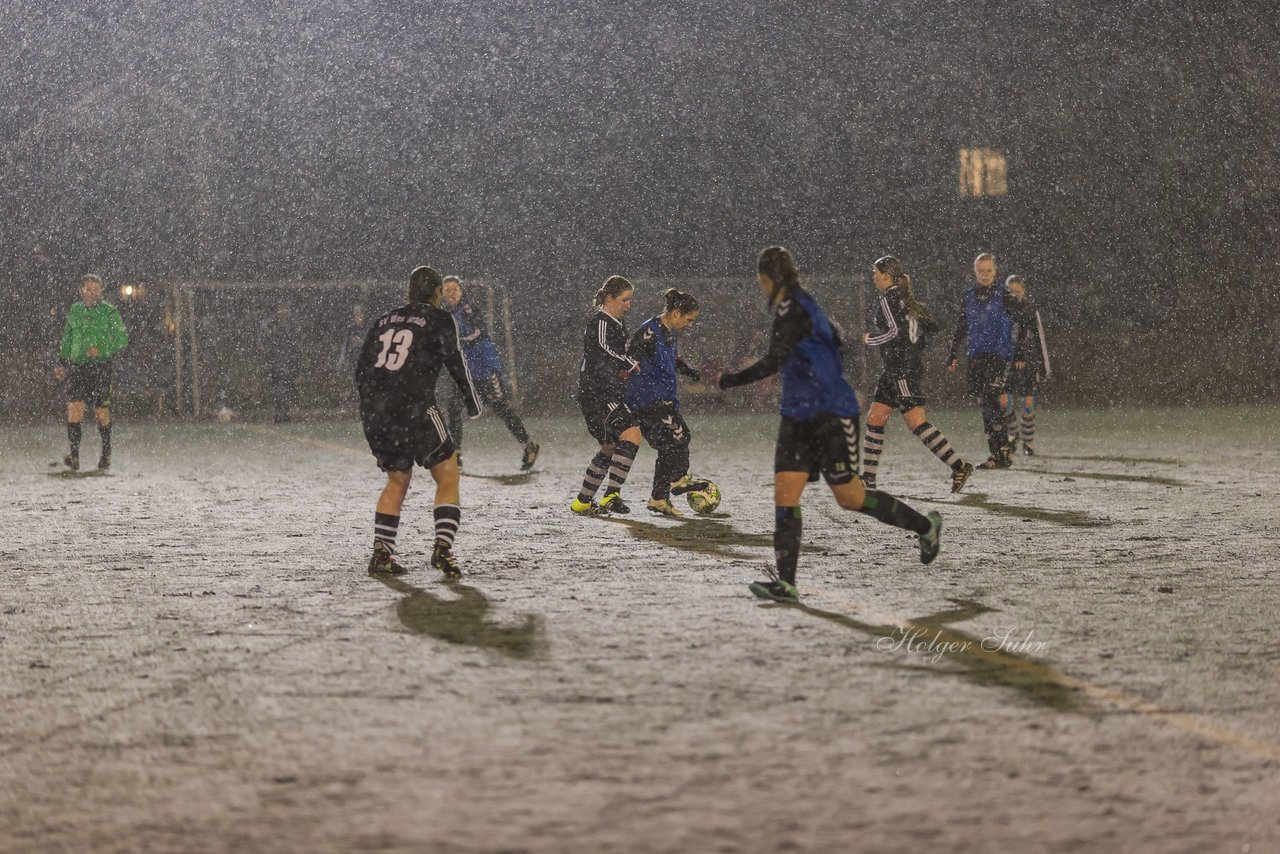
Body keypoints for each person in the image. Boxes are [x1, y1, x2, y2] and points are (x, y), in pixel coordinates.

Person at [717, 246, 942, 603]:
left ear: (767, 278)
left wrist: (730, 380)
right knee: (785, 493)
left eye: (761, 280)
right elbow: (841, 342)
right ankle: (786, 583)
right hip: (797, 415)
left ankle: (925, 526)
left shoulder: (795, 308)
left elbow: (776, 359)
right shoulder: (802, 306)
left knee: (850, 497)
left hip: (829, 414)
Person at [355, 265, 482, 577]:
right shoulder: (440, 319)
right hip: (413, 407)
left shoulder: (383, 320)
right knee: (448, 472)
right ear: (437, 293)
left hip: (376, 411)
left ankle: (382, 555)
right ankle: (442, 547)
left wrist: (374, 403)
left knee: (397, 479)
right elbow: (456, 362)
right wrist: (472, 403)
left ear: (408, 293)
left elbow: (360, 370)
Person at [861, 256, 974, 493]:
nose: (873, 275)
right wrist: (916, 346)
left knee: (916, 423)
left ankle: (959, 466)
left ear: (885, 275)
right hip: (896, 370)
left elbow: (895, 331)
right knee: (875, 419)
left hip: (901, 370)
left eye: (875, 272)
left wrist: (871, 339)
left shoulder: (889, 299)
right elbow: (931, 327)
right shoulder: (906, 300)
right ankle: (868, 479)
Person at [439, 276, 540, 471]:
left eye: (454, 289)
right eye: (447, 290)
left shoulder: (469, 308)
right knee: (453, 407)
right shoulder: (447, 313)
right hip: (464, 369)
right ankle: (456, 454)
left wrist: (456, 341)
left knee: (500, 407)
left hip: (484, 367)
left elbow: (479, 331)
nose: (451, 293)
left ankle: (529, 445)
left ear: (461, 290)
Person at [624, 288, 710, 516]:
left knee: (669, 445)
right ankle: (678, 480)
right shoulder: (650, 332)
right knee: (680, 436)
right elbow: (629, 357)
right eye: (689, 319)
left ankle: (658, 498)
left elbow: (671, 359)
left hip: (660, 398)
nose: (690, 325)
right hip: (647, 400)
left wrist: (687, 370)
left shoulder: (668, 334)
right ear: (675, 313)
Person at [570, 275, 645, 516]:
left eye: (630, 300)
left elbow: (619, 354)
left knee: (610, 446)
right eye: (624, 299)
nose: (628, 305)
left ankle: (583, 501)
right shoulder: (600, 321)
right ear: (610, 298)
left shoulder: (617, 323)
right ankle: (611, 497)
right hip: (597, 395)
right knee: (632, 435)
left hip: (607, 393)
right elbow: (603, 350)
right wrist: (627, 362)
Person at [947, 252, 1019, 469]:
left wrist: (1020, 352)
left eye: (988, 271)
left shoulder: (1004, 295)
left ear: (995, 272)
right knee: (984, 406)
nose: (985, 274)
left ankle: (1005, 449)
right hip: (976, 356)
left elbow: (1021, 322)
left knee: (992, 400)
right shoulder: (969, 295)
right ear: (975, 271)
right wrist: (953, 352)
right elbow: (962, 325)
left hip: (998, 356)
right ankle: (996, 453)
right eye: (981, 271)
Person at [54, 274, 129, 471]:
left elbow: (122, 339)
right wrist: (61, 361)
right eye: (88, 289)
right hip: (78, 367)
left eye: (96, 290)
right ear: (81, 291)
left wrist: (102, 348)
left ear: (101, 291)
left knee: (100, 412)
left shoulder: (109, 312)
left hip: (101, 367)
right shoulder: (75, 310)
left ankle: (106, 453)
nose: (92, 293)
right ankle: (75, 456)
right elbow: (68, 337)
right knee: (74, 409)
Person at [1003, 275, 1050, 455]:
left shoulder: (1030, 309)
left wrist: (1044, 366)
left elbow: (1039, 338)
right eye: (1011, 292)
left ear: (1023, 290)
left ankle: (1028, 443)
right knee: (1005, 401)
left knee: (1027, 402)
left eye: (1018, 290)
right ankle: (1012, 435)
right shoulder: (1002, 309)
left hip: (1027, 363)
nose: (1016, 295)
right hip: (1006, 361)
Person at [263, 301, 300, 423]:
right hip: (276, 361)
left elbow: (294, 342)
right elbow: (267, 338)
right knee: (278, 389)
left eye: (285, 309)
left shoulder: (291, 323)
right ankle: (279, 414)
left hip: (286, 360)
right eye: (280, 309)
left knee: (285, 389)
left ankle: (284, 414)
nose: (283, 312)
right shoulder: (272, 323)